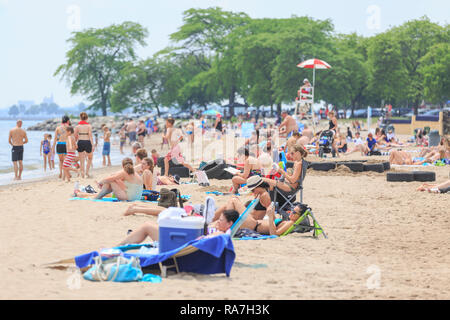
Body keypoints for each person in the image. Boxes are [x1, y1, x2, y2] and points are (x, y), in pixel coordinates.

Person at [117, 209, 239, 246]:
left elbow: (205, 239)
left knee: (147, 226)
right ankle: (130, 239)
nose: (217, 222)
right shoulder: (221, 229)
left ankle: (117, 247)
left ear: (229, 224)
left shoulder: (223, 234)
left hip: (183, 242)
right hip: (184, 239)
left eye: (221, 220)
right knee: (153, 226)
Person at [75, 158, 143, 201]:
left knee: (111, 180)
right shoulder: (134, 173)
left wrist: (100, 183)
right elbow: (125, 187)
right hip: (136, 198)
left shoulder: (125, 172)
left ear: (123, 166)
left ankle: (98, 196)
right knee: (113, 180)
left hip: (130, 198)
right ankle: (97, 195)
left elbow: (109, 178)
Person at [74, 112, 94, 178]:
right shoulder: (89, 126)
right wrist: (93, 145)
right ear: (87, 118)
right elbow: (90, 136)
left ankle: (82, 173)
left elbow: (75, 137)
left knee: (81, 159)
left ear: (80, 118)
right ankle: (87, 172)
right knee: (90, 158)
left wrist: (74, 145)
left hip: (80, 142)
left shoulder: (77, 126)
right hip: (87, 142)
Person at [52, 115, 71, 179]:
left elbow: (55, 139)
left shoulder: (58, 128)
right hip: (66, 145)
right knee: (66, 161)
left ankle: (61, 173)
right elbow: (71, 138)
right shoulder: (69, 127)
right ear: (68, 121)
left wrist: (53, 148)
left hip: (59, 144)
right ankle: (64, 175)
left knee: (61, 161)